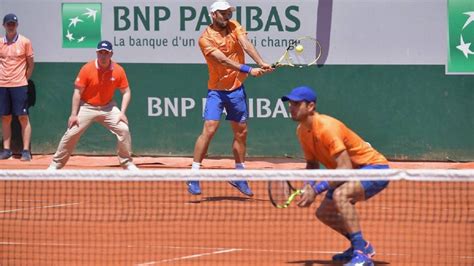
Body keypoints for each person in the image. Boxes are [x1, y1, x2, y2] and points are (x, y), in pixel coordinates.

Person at [281, 86, 390, 266]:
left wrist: (316, 190)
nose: (291, 107)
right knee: (324, 213)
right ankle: (362, 245)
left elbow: (345, 167)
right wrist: (309, 185)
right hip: (352, 173)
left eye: (296, 104)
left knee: (341, 196)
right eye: (290, 104)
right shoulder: (302, 131)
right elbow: (312, 164)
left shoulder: (327, 127)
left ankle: (361, 255)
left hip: (374, 168)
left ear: (310, 106)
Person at [186, 0, 272, 196]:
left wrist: (261, 62)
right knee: (209, 129)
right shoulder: (205, 39)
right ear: (213, 15)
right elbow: (223, 60)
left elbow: (245, 44)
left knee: (241, 133)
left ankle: (239, 176)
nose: (227, 16)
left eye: (228, 13)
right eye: (223, 13)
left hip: (236, 89)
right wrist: (250, 70)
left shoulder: (234, 26)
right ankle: (193, 174)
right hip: (216, 90)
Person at [47, 40, 138, 170]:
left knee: (124, 129)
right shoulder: (87, 68)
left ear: (111, 54)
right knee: (71, 133)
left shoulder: (118, 70)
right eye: (100, 52)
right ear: (97, 53)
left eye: (106, 53)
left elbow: (126, 92)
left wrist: (122, 113)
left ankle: (127, 162)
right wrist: (73, 114)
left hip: (108, 107)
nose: (103, 56)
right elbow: (77, 92)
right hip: (87, 106)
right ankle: (55, 164)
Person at [0, 13, 34, 161]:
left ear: (17, 25)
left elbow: (30, 64)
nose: (11, 26)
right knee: (6, 117)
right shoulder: (0, 42)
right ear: (4, 26)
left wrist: (23, 78)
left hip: (19, 85)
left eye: (13, 24)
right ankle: (6, 150)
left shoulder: (25, 42)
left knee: (23, 117)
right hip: (2, 85)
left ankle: (26, 150)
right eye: (8, 24)